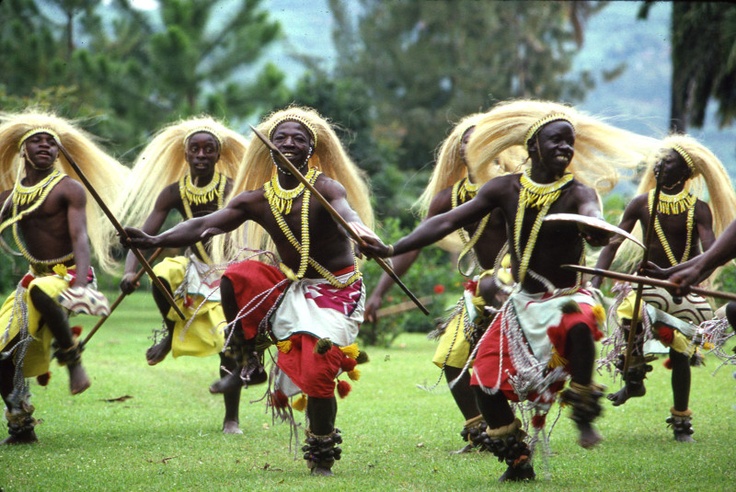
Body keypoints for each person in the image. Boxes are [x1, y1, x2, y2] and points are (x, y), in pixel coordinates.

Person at [359, 100, 652, 481]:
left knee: (579, 325)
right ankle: (517, 462)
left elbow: (593, 219)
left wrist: (595, 229)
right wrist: (392, 247)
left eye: (570, 142)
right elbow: (446, 221)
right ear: (533, 148)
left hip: (566, 297)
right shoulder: (502, 190)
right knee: (483, 380)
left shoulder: (578, 193)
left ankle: (583, 413)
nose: (565, 148)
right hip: (521, 303)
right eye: (556, 141)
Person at [121, 106, 374, 477]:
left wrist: (363, 234)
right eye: (282, 137)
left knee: (318, 369)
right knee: (238, 275)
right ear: (269, 147)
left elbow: (349, 215)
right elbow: (204, 224)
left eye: (298, 139)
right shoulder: (256, 199)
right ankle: (246, 357)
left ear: (310, 150)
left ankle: (321, 455)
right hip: (294, 285)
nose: (289, 143)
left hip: (337, 290)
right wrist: (156, 239)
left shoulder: (325, 189)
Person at [364, 112, 520, 453]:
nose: (473, 144)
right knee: (452, 357)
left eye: (481, 138)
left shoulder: (516, 186)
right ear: (458, 151)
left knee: (506, 360)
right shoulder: (450, 197)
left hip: (520, 281)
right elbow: (418, 241)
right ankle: (481, 432)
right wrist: (378, 294)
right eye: (466, 140)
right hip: (485, 285)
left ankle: (510, 426)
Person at [592, 134, 736, 442]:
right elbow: (615, 242)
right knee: (631, 313)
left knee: (681, 351)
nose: (658, 165)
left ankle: (681, 422)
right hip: (650, 286)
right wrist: (595, 278)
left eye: (667, 161)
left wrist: (693, 279)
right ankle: (634, 379)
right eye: (658, 160)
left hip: (684, 288)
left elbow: (711, 255)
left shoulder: (699, 209)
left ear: (685, 172)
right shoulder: (641, 203)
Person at [0, 111, 128, 444]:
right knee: (1, 352)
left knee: (43, 289)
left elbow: (80, 238)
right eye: (36, 141)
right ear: (22, 151)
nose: (45, 146)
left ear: (59, 152)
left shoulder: (69, 189)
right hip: (33, 280)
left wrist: (81, 286)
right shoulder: (9, 198)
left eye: (51, 142)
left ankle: (73, 363)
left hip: (71, 274)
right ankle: (21, 426)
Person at [114, 117, 248, 434]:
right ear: (185, 155)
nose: (201, 155)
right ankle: (170, 330)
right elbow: (143, 237)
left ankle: (232, 418)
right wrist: (130, 271)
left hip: (229, 272)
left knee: (228, 344)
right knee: (160, 273)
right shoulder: (173, 193)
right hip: (193, 270)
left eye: (208, 149)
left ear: (219, 155)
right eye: (195, 149)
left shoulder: (231, 190)